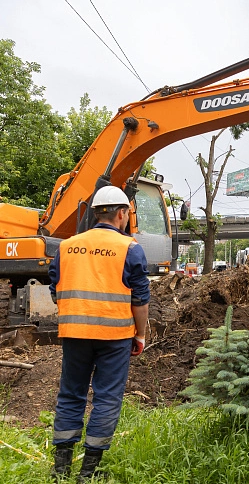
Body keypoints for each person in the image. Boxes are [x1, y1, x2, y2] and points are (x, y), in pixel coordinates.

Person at [49, 186, 150, 481]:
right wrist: (140, 335)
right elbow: (140, 299)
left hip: (74, 333)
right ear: (121, 214)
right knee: (106, 398)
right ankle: (89, 471)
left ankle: (61, 469)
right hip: (115, 337)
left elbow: (56, 290)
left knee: (71, 394)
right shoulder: (130, 248)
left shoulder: (67, 246)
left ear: (95, 214)